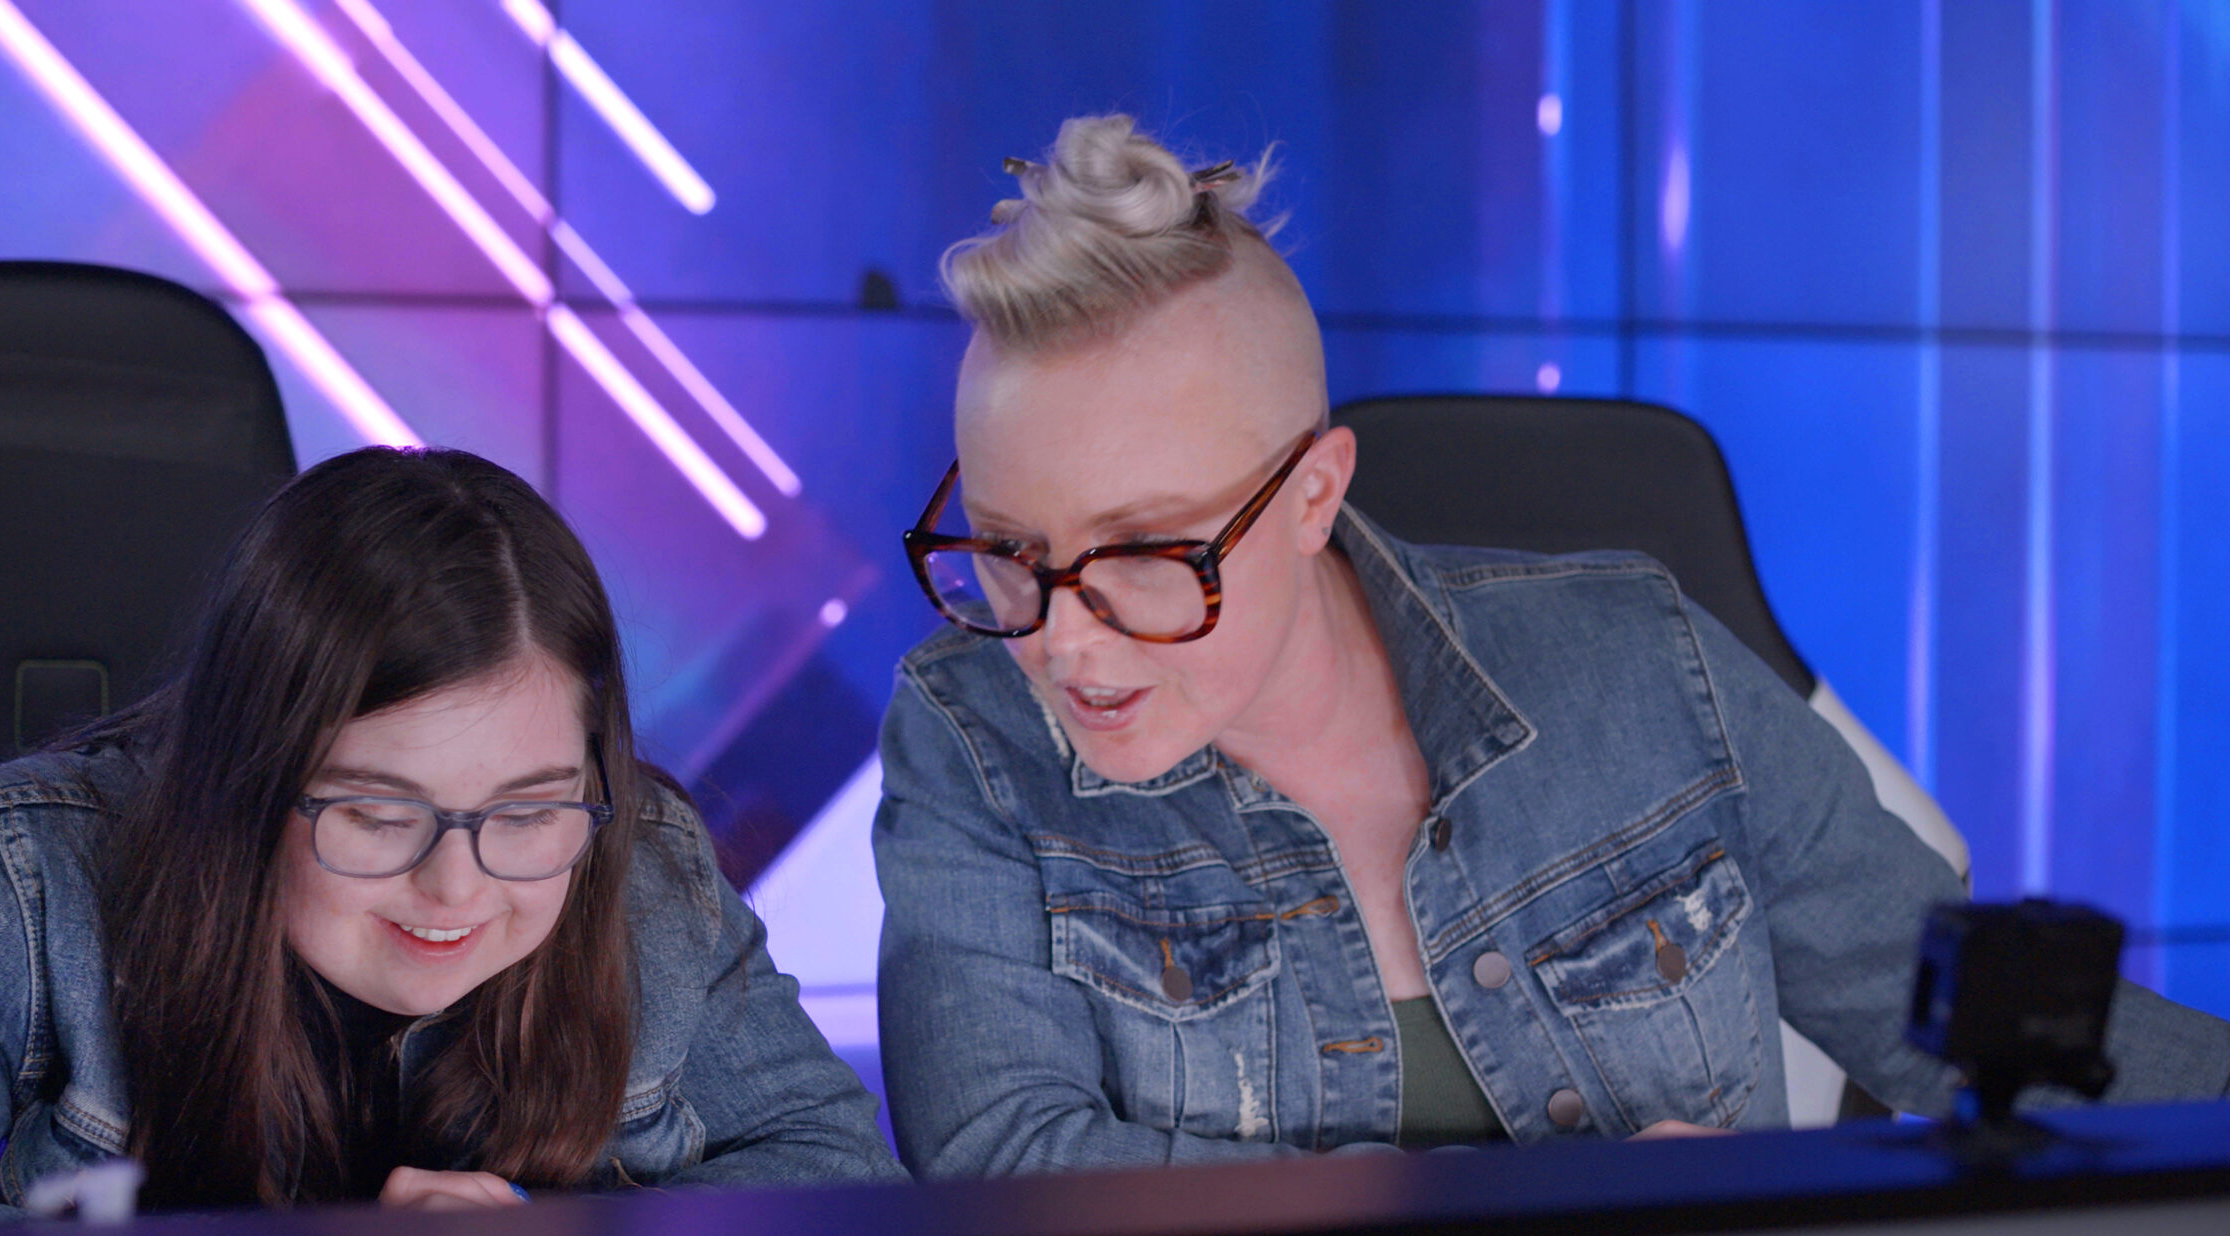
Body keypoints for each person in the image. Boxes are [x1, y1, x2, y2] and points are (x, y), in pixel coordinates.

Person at [873, 115, 2230, 1179]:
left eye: (1146, 557)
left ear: (1312, 496)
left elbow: (2028, 1053)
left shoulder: (1642, 663)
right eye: (1006, 550)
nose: (1056, 640)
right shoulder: (971, 732)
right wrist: (1558, 1226)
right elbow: (1006, 1163)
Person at [0, 447, 902, 1231]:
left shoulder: (642, 868)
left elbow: (848, 1192)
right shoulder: (13, 874)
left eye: (530, 810)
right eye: (378, 813)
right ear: (248, 772)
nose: (457, 884)